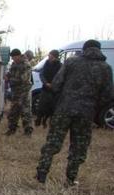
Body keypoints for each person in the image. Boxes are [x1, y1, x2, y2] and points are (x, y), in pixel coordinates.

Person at [36, 39, 113, 186]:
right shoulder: (106, 68)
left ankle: (41, 174)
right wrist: (94, 104)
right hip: (86, 113)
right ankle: (70, 179)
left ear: (84, 49)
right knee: (78, 147)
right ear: (99, 50)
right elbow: (108, 95)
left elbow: (57, 84)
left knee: (53, 143)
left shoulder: (71, 62)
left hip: (64, 108)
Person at [4, 48, 34, 136]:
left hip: (24, 92)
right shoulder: (14, 63)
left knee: (25, 112)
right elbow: (11, 72)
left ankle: (28, 132)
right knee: (13, 111)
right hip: (15, 92)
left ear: (18, 56)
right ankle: (11, 129)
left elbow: (23, 79)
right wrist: (7, 75)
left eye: (13, 58)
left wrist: (10, 79)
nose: (13, 59)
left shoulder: (26, 64)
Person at [35, 49, 62, 127]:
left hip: (54, 90)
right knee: (41, 106)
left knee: (52, 108)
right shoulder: (46, 63)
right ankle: (38, 120)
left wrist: (53, 84)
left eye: (50, 55)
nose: (48, 57)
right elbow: (41, 74)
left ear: (54, 57)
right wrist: (46, 83)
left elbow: (60, 77)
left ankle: (47, 122)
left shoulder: (60, 65)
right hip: (45, 88)